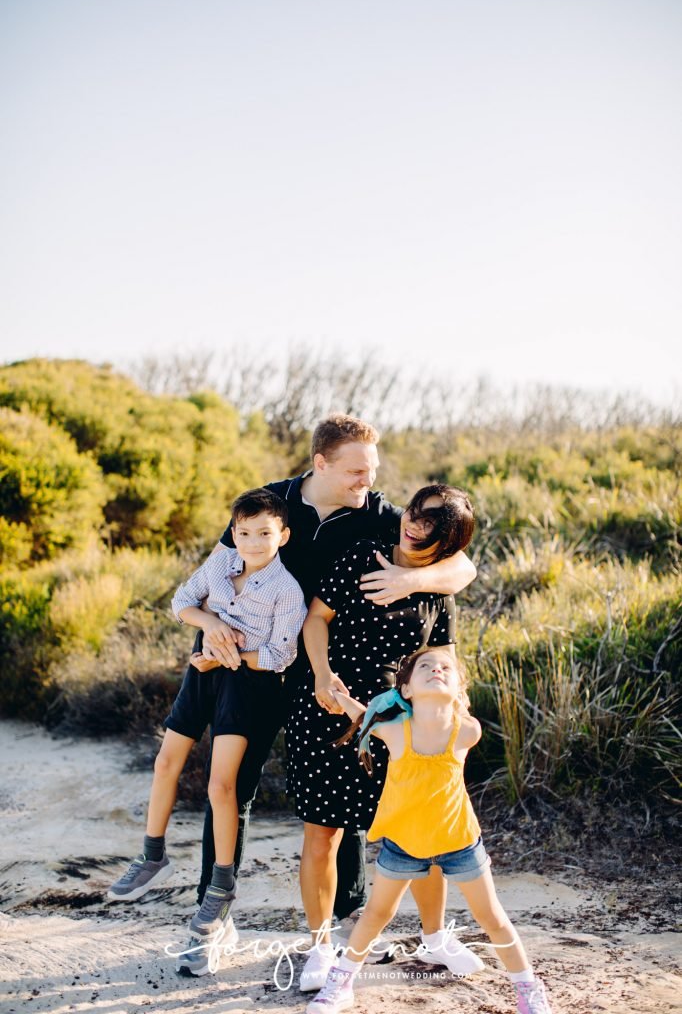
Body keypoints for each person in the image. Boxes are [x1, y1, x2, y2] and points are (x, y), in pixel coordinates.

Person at [185, 414, 476, 974]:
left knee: (350, 812)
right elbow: (220, 572)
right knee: (232, 790)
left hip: (345, 688)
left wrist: (413, 581)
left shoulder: (377, 515)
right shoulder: (269, 504)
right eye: (356, 471)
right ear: (320, 463)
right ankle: (214, 918)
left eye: (373, 471)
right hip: (255, 669)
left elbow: (460, 560)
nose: (367, 483)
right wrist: (207, 628)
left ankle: (350, 916)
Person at [290, 483, 476, 991]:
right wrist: (323, 676)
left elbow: (444, 660)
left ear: (449, 538)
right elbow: (316, 618)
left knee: (419, 836)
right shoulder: (362, 555)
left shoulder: (439, 590)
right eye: (416, 511)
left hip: (397, 728)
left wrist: (450, 715)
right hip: (329, 707)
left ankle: (435, 939)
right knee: (322, 834)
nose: (416, 523)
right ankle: (320, 947)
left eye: (433, 522)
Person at [106, 488, 306, 941]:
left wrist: (225, 654)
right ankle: (152, 854)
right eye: (243, 532)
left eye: (263, 533)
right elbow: (182, 602)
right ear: (233, 533)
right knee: (166, 763)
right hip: (201, 674)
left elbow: (280, 655)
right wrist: (211, 624)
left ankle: (221, 884)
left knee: (222, 786)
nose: (252, 542)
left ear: (283, 535)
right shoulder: (220, 565)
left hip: (247, 687)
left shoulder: (286, 589)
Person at [307, 647, 554, 1014]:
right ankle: (341, 982)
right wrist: (338, 696)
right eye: (425, 667)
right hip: (403, 845)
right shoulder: (396, 732)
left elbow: (454, 710)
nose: (436, 669)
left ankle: (528, 989)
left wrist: (457, 699)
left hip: (459, 844)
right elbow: (363, 716)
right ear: (405, 690)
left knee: (493, 918)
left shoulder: (465, 731)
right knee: (376, 914)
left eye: (445, 668)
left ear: (458, 690)